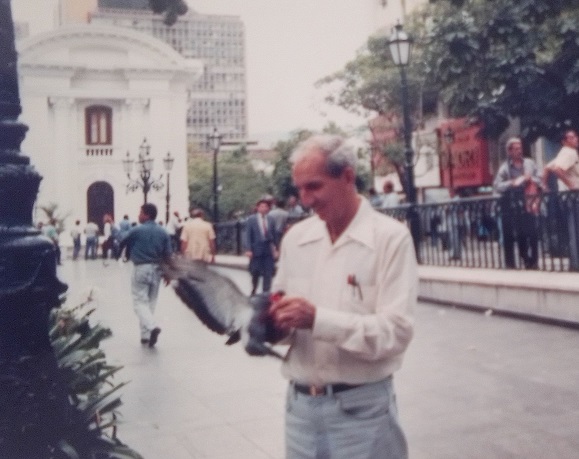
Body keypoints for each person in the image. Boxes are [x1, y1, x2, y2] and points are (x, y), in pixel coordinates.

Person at [269, 134, 416, 459]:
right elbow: (285, 322)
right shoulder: (296, 239)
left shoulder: (390, 239)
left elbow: (396, 333)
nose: (305, 199)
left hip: (363, 412)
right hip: (299, 412)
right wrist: (273, 324)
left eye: (314, 186)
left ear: (347, 176)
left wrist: (317, 320)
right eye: (300, 189)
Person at [119, 203, 172, 347]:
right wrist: (168, 274)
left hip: (141, 267)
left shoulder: (137, 230)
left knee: (139, 302)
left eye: (140, 212)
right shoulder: (163, 232)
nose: (138, 215)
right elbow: (168, 255)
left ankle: (152, 327)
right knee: (150, 302)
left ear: (147, 215)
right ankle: (145, 335)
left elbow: (122, 240)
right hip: (157, 269)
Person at [493, 137, 542, 269]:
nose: (519, 151)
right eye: (516, 149)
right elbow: (497, 185)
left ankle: (534, 262)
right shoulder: (505, 168)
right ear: (509, 151)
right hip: (514, 204)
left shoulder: (530, 163)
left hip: (530, 201)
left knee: (533, 233)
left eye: (520, 148)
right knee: (520, 234)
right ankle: (525, 258)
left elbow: (540, 178)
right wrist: (512, 182)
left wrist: (531, 179)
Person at [543, 129, 579, 269]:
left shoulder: (564, 153)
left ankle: (575, 261)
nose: (575, 139)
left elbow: (547, 168)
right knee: (575, 229)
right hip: (573, 196)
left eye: (575, 136)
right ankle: (576, 262)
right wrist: (571, 185)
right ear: (564, 141)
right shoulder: (570, 153)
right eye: (571, 137)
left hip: (567, 196)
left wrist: (545, 185)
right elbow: (558, 169)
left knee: (573, 228)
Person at [244, 198, 279, 295]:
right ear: (258, 208)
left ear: (268, 208)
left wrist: (276, 248)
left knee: (268, 271)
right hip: (256, 249)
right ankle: (254, 288)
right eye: (261, 206)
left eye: (266, 206)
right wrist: (248, 249)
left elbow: (274, 234)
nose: (264, 208)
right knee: (255, 271)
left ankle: (266, 292)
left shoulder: (271, 219)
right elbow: (248, 235)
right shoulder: (252, 219)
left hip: (268, 248)